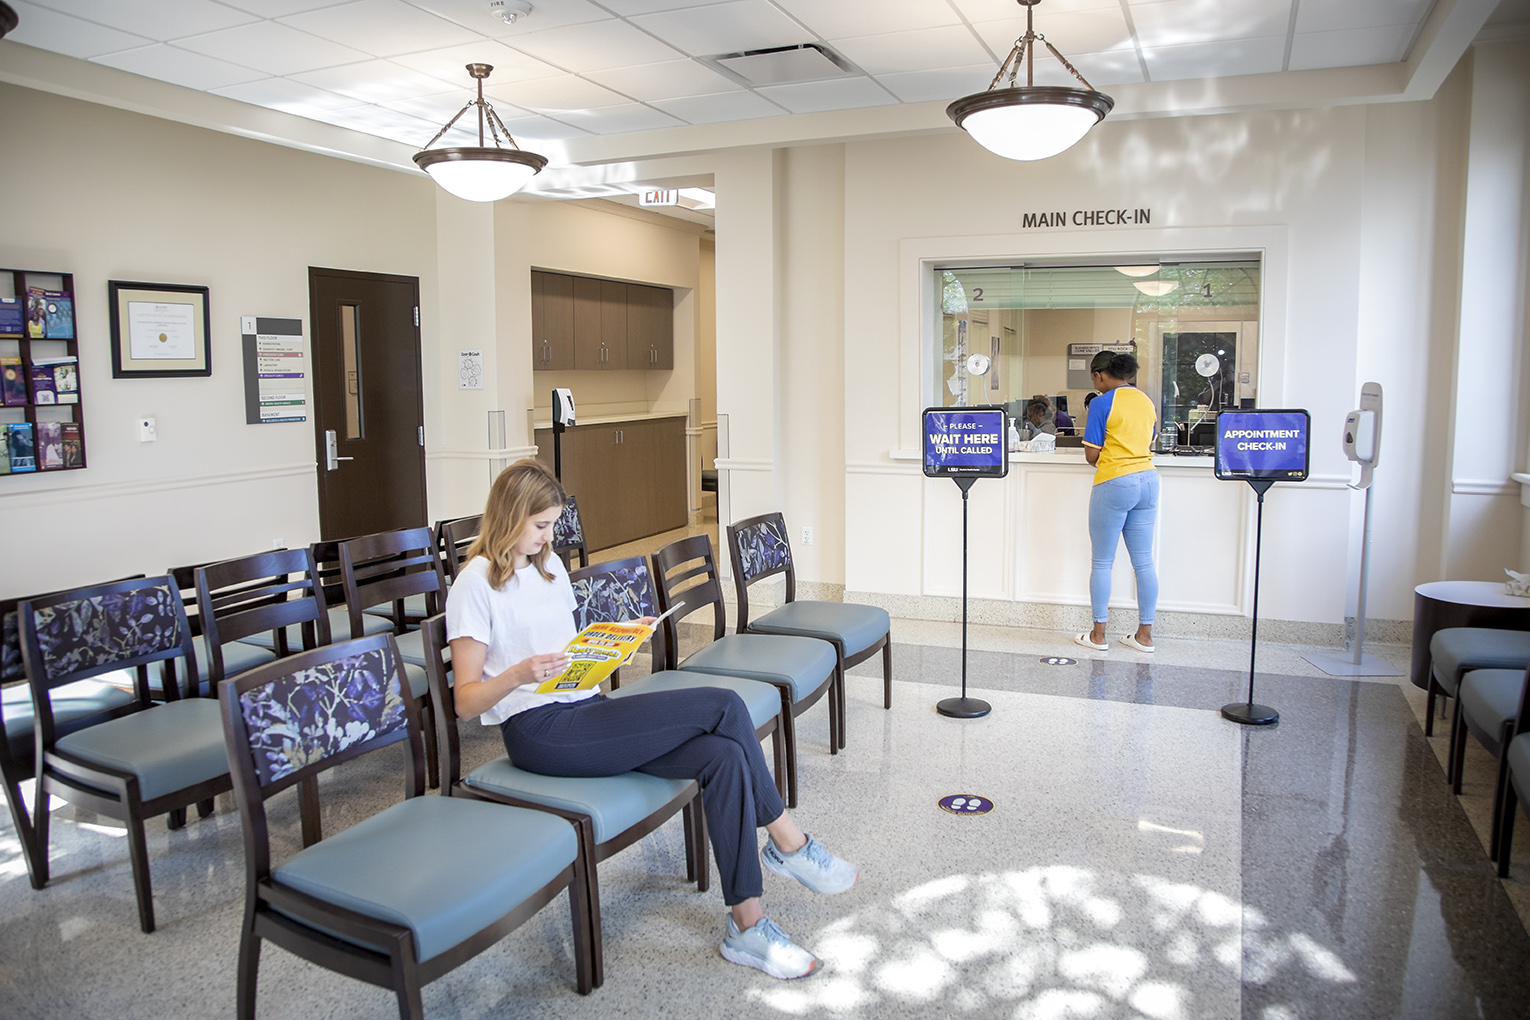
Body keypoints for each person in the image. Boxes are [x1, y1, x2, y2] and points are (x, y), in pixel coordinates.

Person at [446, 459, 857, 980]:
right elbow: (465, 701)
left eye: (552, 525)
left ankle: (747, 926)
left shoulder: (548, 570)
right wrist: (518, 674)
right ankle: (788, 841)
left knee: (723, 756)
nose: (549, 537)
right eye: (541, 525)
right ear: (509, 515)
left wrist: (615, 640)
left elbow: (566, 652)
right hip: (538, 730)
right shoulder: (475, 584)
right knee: (725, 706)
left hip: (583, 707)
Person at [1075, 351, 1158, 654]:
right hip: (1148, 481)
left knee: (1102, 562)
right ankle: (1144, 637)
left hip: (1115, 482)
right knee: (1144, 562)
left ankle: (1098, 636)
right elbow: (1149, 440)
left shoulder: (1102, 403)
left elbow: (1092, 455)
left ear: (1100, 375)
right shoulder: (1146, 400)